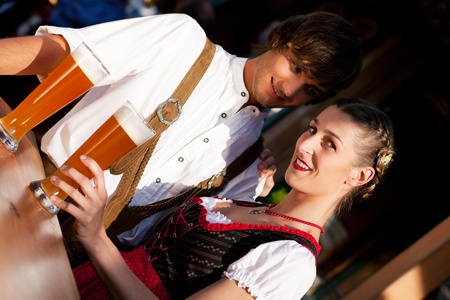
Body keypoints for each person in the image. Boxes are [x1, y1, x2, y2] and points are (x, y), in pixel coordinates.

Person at [0, 11, 363, 249]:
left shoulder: (251, 170)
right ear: (279, 39)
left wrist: (253, 198)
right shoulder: (182, 39)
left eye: (310, 89)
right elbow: (64, 55)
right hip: (19, 186)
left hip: (70, 261)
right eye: (296, 67)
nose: (291, 89)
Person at [50, 97, 396, 299]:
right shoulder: (249, 205)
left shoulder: (292, 263)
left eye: (329, 144)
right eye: (312, 129)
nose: (305, 145)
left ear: (359, 176)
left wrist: (97, 240)